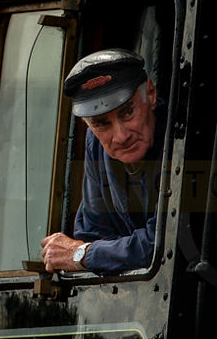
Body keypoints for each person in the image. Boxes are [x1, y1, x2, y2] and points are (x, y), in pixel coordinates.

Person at [40, 48, 165, 274]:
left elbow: (162, 244)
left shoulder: (182, 135)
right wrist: (93, 253)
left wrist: (84, 255)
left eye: (127, 113)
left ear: (151, 93)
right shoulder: (96, 144)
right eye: (101, 124)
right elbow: (92, 233)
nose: (121, 136)